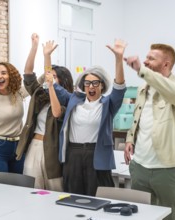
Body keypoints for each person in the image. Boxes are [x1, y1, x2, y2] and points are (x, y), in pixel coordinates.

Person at [52, 39, 127, 196]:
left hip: (96, 154)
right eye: (87, 83)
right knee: (73, 195)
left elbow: (119, 88)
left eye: (95, 83)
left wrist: (119, 59)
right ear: (83, 85)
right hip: (73, 154)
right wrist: (47, 57)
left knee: (98, 196)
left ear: (102, 85)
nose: (91, 86)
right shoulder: (73, 99)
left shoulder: (108, 104)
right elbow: (51, 83)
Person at [124, 44, 175, 220]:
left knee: (173, 217)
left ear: (166, 64)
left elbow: (170, 90)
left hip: (168, 170)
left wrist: (141, 69)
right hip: (140, 167)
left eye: (151, 58)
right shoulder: (142, 89)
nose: (145, 61)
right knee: (142, 216)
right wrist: (130, 138)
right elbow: (137, 117)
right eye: (146, 58)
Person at [16, 34, 74, 191]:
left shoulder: (68, 100)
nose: (50, 79)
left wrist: (50, 83)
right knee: (32, 190)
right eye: (50, 76)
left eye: (55, 77)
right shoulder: (40, 96)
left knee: (55, 191)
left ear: (63, 81)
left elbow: (56, 113)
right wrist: (35, 47)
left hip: (52, 151)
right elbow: (28, 74)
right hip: (34, 146)